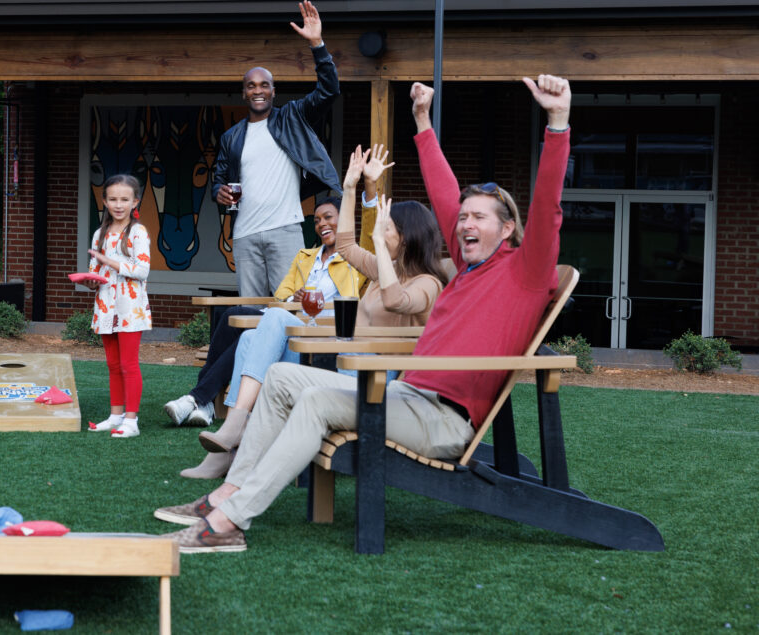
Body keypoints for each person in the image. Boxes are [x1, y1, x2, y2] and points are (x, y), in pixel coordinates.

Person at [153, 73, 573, 553]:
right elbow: (443, 192)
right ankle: (226, 495)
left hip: (441, 418)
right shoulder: (465, 268)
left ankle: (228, 522)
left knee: (313, 402)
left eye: (479, 217)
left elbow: (548, 208)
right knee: (283, 378)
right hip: (407, 395)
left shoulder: (524, 273)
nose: (464, 223)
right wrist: (420, 120)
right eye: (463, 217)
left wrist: (557, 122)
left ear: (510, 229)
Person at [182, 144, 450, 481]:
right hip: (337, 362)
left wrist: (378, 245)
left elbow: (398, 301)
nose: (380, 233)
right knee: (251, 338)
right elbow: (347, 246)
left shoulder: (427, 283)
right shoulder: (384, 272)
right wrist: (350, 187)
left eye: (387, 228)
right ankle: (234, 434)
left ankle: (237, 431)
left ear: (407, 238)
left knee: (278, 318)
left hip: (369, 381)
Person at [165, 196, 364, 478]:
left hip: (324, 340)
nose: (322, 224)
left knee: (264, 318)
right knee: (249, 333)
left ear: (344, 220)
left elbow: (350, 301)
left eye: (329, 217)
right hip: (293, 327)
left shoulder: (355, 259)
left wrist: (356, 188)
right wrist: (294, 297)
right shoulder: (306, 257)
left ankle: (215, 410)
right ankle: (227, 444)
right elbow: (281, 294)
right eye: (317, 220)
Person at [213, 0, 341, 297]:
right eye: (251, 86)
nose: (258, 90)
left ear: (274, 90)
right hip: (244, 234)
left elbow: (329, 90)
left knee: (291, 307)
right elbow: (218, 180)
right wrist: (217, 191)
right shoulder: (231, 137)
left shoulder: (291, 117)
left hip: (285, 230)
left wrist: (317, 44)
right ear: (244, 93)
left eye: (264, 85)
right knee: (252, 311)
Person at [82, 175, 152, 438]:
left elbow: (142, 270)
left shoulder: (137, 231)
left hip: (130, 307)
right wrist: (90, 280)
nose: (118, 204)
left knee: (128, 364)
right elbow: (95, 271)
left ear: (135, 201)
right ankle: (115, 416)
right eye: (112, 199)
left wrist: (107, 261)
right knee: (112, 364)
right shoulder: (99, 233)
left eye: (124, 199)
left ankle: (131, 421)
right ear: (104, 201)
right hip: (105, 306)